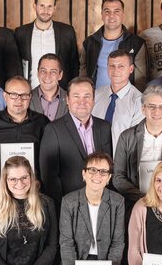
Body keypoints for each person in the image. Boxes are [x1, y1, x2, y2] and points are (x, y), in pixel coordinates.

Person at [39, 77, 112, 205]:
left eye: (87, 96)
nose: (82, 101)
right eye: (76, 96)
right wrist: (62, 206)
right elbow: (49, 177)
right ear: (67, 100)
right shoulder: (54, 129)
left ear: (93, 100)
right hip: (69, 204)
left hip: (101, 202)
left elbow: (109, 167)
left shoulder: (104, 127)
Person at [0, 76, 48, 194]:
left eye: (24, 95)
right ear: (5, 96)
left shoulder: (42, 122)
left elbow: (48, 161)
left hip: (34, 193)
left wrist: (39, 184)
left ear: (30, 97)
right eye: (13, 95)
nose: (19, 100)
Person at [15, 0, 80, 88]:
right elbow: (16, 65)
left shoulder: (67, 32)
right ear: (34, 6)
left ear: (55, 8)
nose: (46, 11)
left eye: (49, 6)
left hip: (59, 94)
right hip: (29, 93)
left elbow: (74, 66)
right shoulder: (21, 33)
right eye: (42, 6)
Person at [83, 0, 147, 88]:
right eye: (107, 11)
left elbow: (141, 78)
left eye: (116, 11)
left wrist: (136, 100)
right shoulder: (89, 43)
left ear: (123, 15)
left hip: (126, 99)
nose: (111, 15)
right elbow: (83, 75)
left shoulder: (136, 43)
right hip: (97, 98)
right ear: (102, 15)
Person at [92, 50, 144, 152]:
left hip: (121, 161)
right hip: (94, 158)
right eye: (112, 66)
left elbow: (136, 140)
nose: (115, 70)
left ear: (131, 69)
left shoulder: (139, 101)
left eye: (121, 66)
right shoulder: (96, 95)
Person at [29, 54, 69, 120]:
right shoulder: (26, 98)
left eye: (53, 72)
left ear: (60, 75)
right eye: (43, 71)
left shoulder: (70, 99)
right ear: (38, 73)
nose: (47, 76)